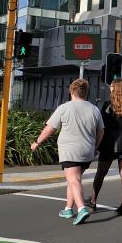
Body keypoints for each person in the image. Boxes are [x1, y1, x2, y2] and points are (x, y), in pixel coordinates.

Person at [31, 79, 104, 226]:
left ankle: (82, 208)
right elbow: (101, 131)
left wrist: (37, 142)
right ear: (86, 93)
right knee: (75, 179)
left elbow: (50, 129)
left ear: (71, 92)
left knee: (73, 180)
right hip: (87, 151)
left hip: (70, 150)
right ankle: (68, 209)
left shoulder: (64, 108)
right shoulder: (94, 109)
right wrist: (96, 147)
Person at [88, 79, 122, 216]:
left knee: (100, 173)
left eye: (111, 86)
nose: (110, 88)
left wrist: (97, 144)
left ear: (115, 89)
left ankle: (93, 202)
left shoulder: (107, 105)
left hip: (110, 142)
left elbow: (101, 126)